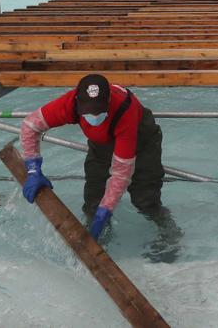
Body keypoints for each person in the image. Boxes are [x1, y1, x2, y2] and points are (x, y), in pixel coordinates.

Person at [19, 74, 172, 242]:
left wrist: (106, 210)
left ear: (108, 101)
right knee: (93, 197)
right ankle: (99, 241)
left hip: (141, 142)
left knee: (145, 198)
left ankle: (168, 235)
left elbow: (121, 173)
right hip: (101, 144)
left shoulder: (124, 110)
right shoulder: (69, 103)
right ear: (78, 100)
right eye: (87, 110)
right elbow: (30, 126)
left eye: (99, 111)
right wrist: (33, 169)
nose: (93, 115)